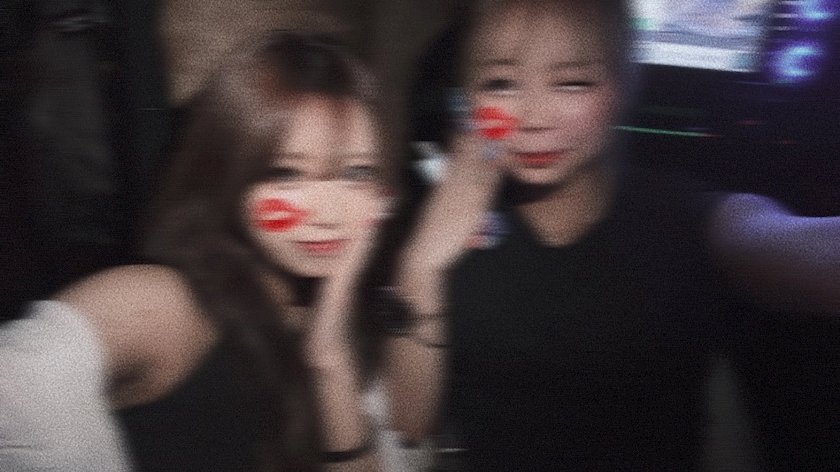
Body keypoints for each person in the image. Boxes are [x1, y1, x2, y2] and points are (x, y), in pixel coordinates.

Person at [383, 0, 840, 470]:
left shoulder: (680, 215)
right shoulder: (449, 227)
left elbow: (779, 240)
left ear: (621, 88)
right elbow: (410, 424)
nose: (536, 117)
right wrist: (421, 264)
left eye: (572, 82)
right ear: (466, 99)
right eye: (501, 83)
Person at [0, 30, 395, 471]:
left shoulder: (347, 317)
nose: (330, 214)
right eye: (286, 173)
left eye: (357, 173)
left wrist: (329, 360)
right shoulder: (168, 303)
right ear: (230, 177)